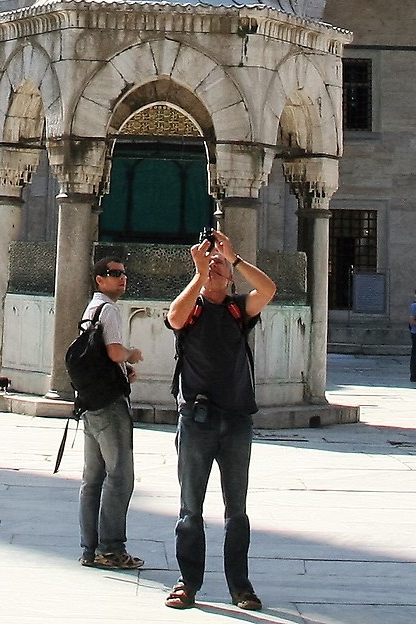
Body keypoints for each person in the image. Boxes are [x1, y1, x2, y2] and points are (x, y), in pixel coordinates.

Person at [164, 229, 275, 612]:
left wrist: (235, 258)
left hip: (237, 419)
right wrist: (198, 275)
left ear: (229, 277)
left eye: (219, 266)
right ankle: (188, 583)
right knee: (189, 509)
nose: (214, 267)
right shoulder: (192, 308)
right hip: (196, 420)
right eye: (209, 263)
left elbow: (269, 290)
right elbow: (174, 318)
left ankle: (240, 587)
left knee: (236, 511)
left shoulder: (238, 309)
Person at [78, 253, 144, 571]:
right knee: (120, 477)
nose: (122, 278)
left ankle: (90, 549)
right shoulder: (109, 309)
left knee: (92, 479)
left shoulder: (90, 309)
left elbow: (97, 356)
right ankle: (111, 549)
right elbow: (115, 351)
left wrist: (119, 370)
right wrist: (131, 355)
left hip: (90, 403)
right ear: (99, 279)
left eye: (123, 273)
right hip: (109, 406)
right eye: (114, 273)